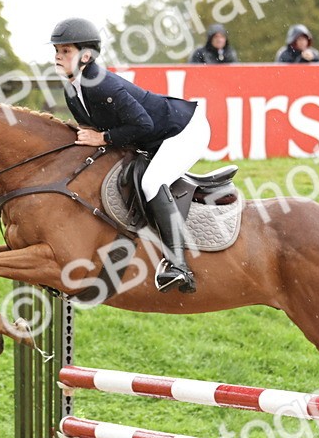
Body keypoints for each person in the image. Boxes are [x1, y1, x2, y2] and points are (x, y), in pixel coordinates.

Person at [51, 17, 210, 294]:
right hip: (155, 135)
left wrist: (103, 138)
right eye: (57, 51)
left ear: (86, 56)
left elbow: (143, 124)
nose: (58, 56)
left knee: (151, 182)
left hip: (184, 131)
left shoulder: (103, 85)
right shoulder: (72, 90)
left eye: (66, 51)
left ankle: (179, 266)